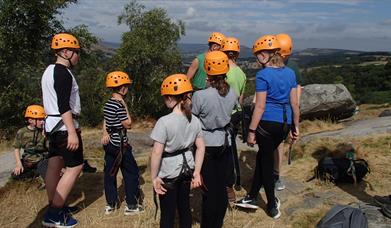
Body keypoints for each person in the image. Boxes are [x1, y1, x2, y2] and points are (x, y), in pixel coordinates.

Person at [235, 34, 300, 219]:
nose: (257, 58)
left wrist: (251, 131)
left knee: (265, 162)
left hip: (267, 125)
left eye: (258, 54)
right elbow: (295, 104)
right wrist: (296, 127)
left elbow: (261, 106)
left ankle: (271, 203)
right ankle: (252, 195)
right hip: (285, 124)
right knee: (264, 158)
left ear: (266, 54)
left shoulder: (263, 75)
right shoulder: (290, 73)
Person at [150, 74, 205, 228]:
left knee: (167, 215)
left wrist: (154, 178)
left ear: (169, 98)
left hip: (169, 172)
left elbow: (156, 153)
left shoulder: (164, 122)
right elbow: (201, 147)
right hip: (188, 170)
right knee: (184, 209)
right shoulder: (194, 119)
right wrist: (197, 172)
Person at [41, 32, 83, 227]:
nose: (78, 56)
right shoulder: (63, 73)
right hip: (64, 125)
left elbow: (48, 101)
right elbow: (63, 105)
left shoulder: (48, 71)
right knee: (75, 167)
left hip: (52, 124)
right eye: (76, 52)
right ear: (65, 52)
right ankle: (55, 213)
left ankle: (55, 204)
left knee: (54, 165)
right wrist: (72, 131)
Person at [192, 51, 238, 228]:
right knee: (220, 186)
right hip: (224, 142)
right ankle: (218, 222)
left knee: (208, 189)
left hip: (206, 144)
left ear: (208, 71)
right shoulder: (231, 93)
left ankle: (208, 224)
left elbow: (193, 120)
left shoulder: (200, 96)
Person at [101, 71, 143, 215]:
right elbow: (128, 124)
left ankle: (111, 204)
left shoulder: (107, 104)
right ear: (122, 88)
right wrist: (125, 106)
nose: (127, 89)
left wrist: (105, 133)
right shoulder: (119, 105)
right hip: (121, 145)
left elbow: (106, 121)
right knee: (131, 173)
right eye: (126, 86)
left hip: (110, 144)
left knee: (110, 174)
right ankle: (132, 205)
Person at [271, 33, 301, 191]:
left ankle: (275, 175)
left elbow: (297, 91)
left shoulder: (292, 68)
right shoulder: (290, 67)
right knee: (276, 145)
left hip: (282, 111)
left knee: (278, 144)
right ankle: (273, 174)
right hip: (281, 111)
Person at [221, 37, 247, 201]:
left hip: (225, 113)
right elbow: (242, 99)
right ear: (236, 54)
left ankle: (228, 185)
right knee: (232, 149)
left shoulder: (223, 72)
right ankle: (236, 181)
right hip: (236, 113)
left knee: (225, 150)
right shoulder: (242, 73)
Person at [12, 105, 48, 181]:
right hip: (28, 160)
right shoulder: (22, 132)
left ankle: (40, 174)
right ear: (31, 120)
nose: (42, 122)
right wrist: (19, 164)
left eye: (43, 119)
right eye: (40, 119)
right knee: (15, 175)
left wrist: (46, 137)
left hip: (41, 159)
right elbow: (16, 148)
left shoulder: (44, 130)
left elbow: (49, 148)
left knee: (47, 173)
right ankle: (35, 173)